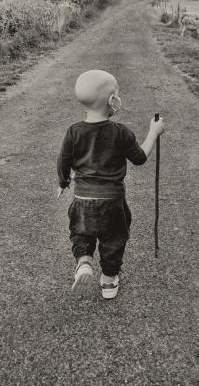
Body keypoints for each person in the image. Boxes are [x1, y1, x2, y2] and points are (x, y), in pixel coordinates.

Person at [56, 69, 165, 299]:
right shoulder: (120, 132)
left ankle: (84, 260)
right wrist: (153, 132)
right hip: (112, 201)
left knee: (80, 233)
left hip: (82, 198)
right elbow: (140, 157)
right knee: (114, 239)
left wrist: (63, 182)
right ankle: (108, 281)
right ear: (111, 101)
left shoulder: (74, 131)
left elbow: (63, 160)